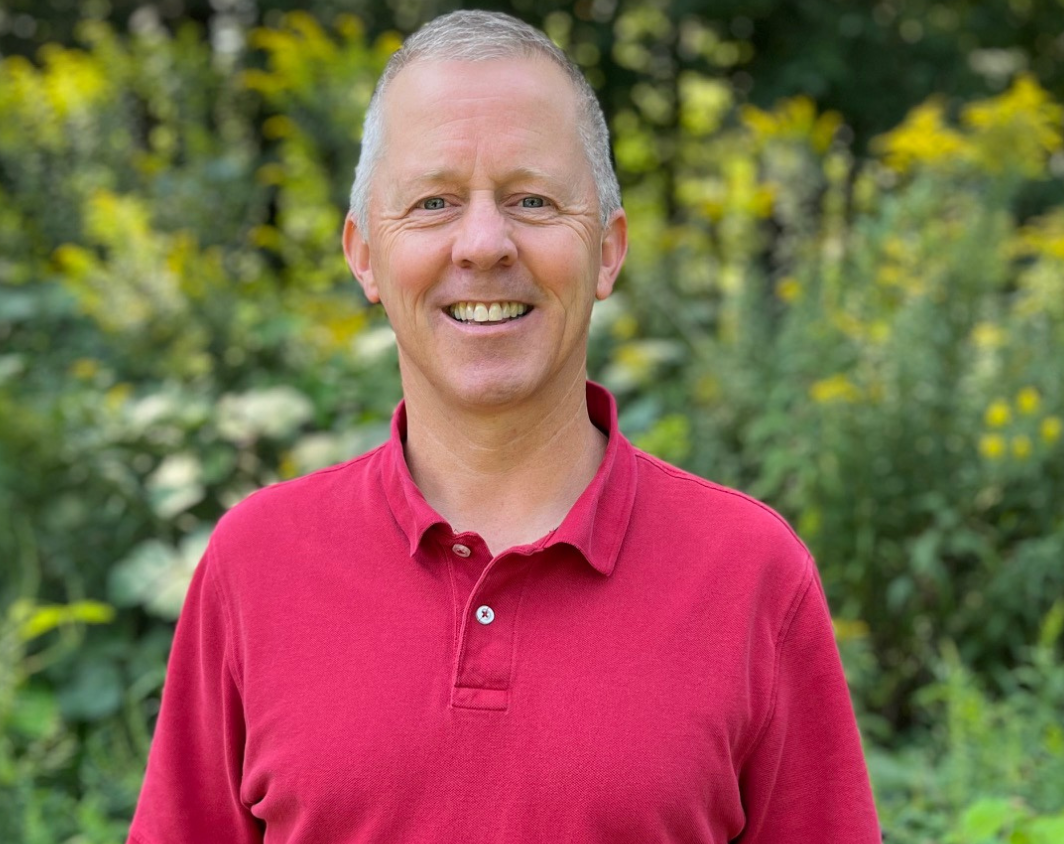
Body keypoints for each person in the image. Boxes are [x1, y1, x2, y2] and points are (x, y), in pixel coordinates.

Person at [127, 10, 881, 843]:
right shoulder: (256, 562)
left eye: (531, 199)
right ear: (365, 254)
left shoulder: (750, 575)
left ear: (606, 250)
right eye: (434, 201)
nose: (483, 243)